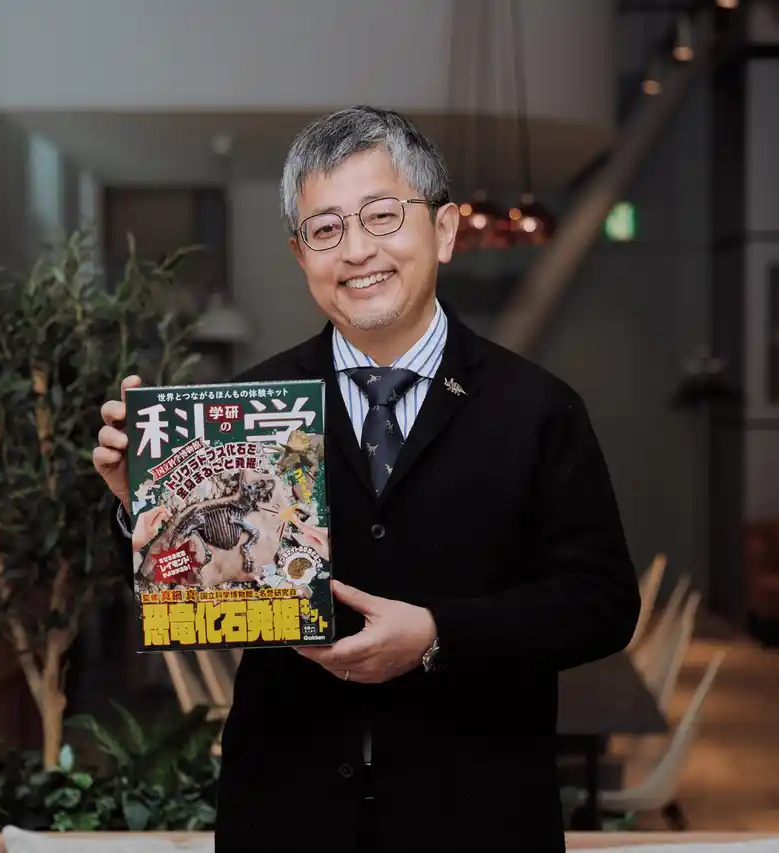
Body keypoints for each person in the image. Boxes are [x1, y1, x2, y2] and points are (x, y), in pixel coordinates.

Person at [94, 105, 640, 852]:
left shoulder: (537, 408)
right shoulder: (250, 409)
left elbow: (602, 603)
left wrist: (439, 635)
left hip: (476, 820)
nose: (356, 250)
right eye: (325, 229)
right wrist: (145, 504)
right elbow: (203, 595)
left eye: (382, 216)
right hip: (290, 819)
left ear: (443, 230)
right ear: (301, 255)